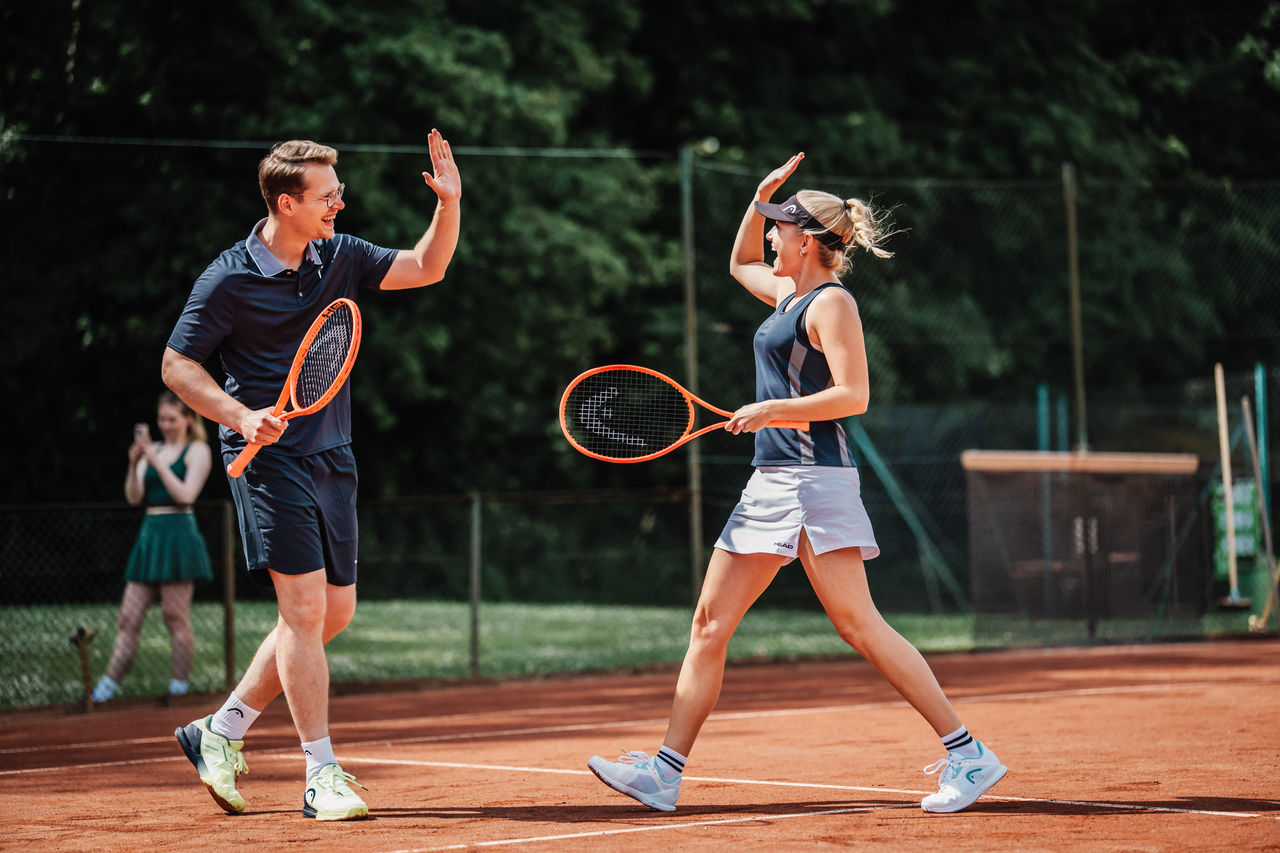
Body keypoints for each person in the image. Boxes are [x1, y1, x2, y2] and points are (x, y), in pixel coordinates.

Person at [587, 153, 1006, 815]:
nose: (772, 239)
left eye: (780, 229)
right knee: (709, 623)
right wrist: (757, 203)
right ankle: (665, 771)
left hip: (814, 482)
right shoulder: (789, 294)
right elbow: (737, 266)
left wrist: (773, 409)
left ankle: (968, 752)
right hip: (773, 479)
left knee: (859, 626)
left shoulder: (832, 303)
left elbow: (855, 394)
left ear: (807, 241)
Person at [165, 129, 461, 821]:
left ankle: (221, 728)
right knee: (300, 613)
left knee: (334, 612)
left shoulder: (340, 254)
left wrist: (447, 205)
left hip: (332, 453)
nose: (340, 203)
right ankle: (319, 773)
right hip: (268, 460)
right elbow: (177, 366)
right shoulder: (228, 277)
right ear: (288, 202)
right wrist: (240, 414)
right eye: (328, 195)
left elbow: (426, 266)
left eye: (339, 192)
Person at [92, 391, 214, 703]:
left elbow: (186, 495)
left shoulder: (197, 450)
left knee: (175, 615)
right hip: (151, 533)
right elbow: (134, 497)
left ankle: (178, 689)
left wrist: (157, 462)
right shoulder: (154, 450)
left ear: (188, 419)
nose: (166, 425)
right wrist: (134, 465)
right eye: (162, 418)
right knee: (128, 617)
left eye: (173, 419)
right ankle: (105, 689)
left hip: (178, 532)